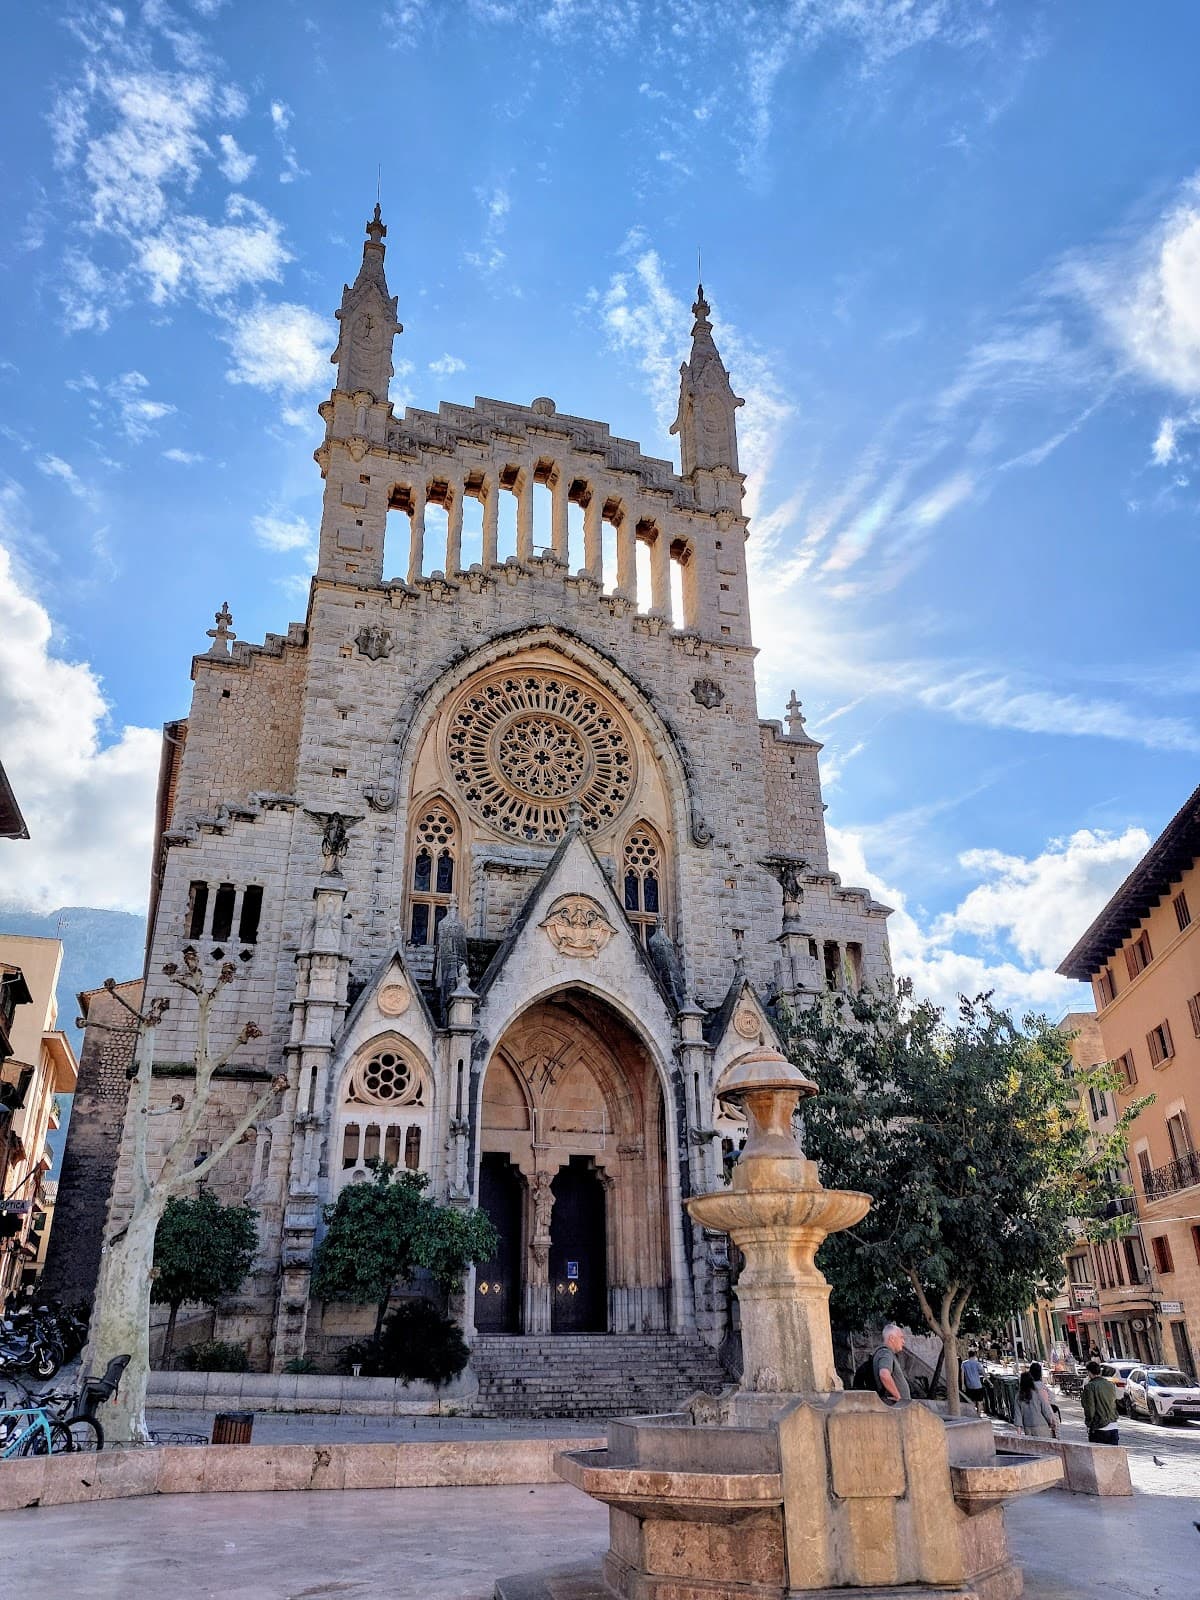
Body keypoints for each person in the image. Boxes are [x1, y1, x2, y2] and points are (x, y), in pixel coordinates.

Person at [1081, 1359, 1120, 1445]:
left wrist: (1089, 1423)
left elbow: (1090, 1409)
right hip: (1113, 1425)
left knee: (1098, 1452)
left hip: (1099, 1427)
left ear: (1089, 1372)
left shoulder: (1090, 1387)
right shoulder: (1110, 1385)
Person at [872, 1323, 911, 1405]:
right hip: (895, 1406)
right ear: (892, 1338)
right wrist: (898, 1397)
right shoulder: (885, 1353)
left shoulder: (886, 1353)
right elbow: (884, 1374)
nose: (903, 1342)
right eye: (901, 1337)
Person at [1016, 1370, 1058, 1438]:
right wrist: (1052, 1422)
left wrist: (1019, 1434)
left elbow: (1018, 1416)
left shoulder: (1018, 1396)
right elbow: (1045, 1409)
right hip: (1041, 1426)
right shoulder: (1037, 1393)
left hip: (1028, 1428)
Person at [1028, 1361, 1061, 1428]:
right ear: (1040, 1374)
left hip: (1029, 1423)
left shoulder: (1025, 1390)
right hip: (1043, 1423)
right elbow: (1047, 1408)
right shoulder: (1043, 1389)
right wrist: (1052, 1421)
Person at [961, 1348, 988, 1416]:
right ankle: (978, 1415)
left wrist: (963, 1384)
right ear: (975, 1355)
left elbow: (962, 1374)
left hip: (969, 1385)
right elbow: (983, 1373)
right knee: (979, 1401)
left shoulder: (964, 1363)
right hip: (978, 1385)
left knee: (971, 1401)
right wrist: (989, 1382)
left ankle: (973, 1414)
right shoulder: (977, 1363)